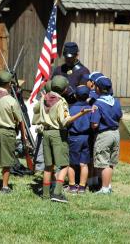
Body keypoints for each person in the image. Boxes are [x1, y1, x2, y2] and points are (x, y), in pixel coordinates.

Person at [34, 75, 91, 203]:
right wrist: (81, 113)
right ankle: (57, 193)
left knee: (48, 166)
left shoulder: (44, 98)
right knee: (64, 164)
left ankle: (45, 194)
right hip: (57, 134)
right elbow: (65, 121)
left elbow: (35, 110)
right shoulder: (61, 101)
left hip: (46, 134)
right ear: (65, 89)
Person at [91, 76, 122, 194]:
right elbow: (120, 116)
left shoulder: (97, 104)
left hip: (104, 134)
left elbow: (94, 124)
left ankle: (104, 189)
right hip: (115, 133)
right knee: (110, 162)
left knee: (103, 162)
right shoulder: (116, 102)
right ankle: (108, 186)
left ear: (98, 89)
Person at [67, 85, 93, 194]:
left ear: (75, 95)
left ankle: (72, 186)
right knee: (84, 164)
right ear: (88, 96)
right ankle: (82, 187)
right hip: (86, 137)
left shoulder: (71, 108)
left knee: (72, 164)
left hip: (74, 137)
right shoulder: (91, 109)